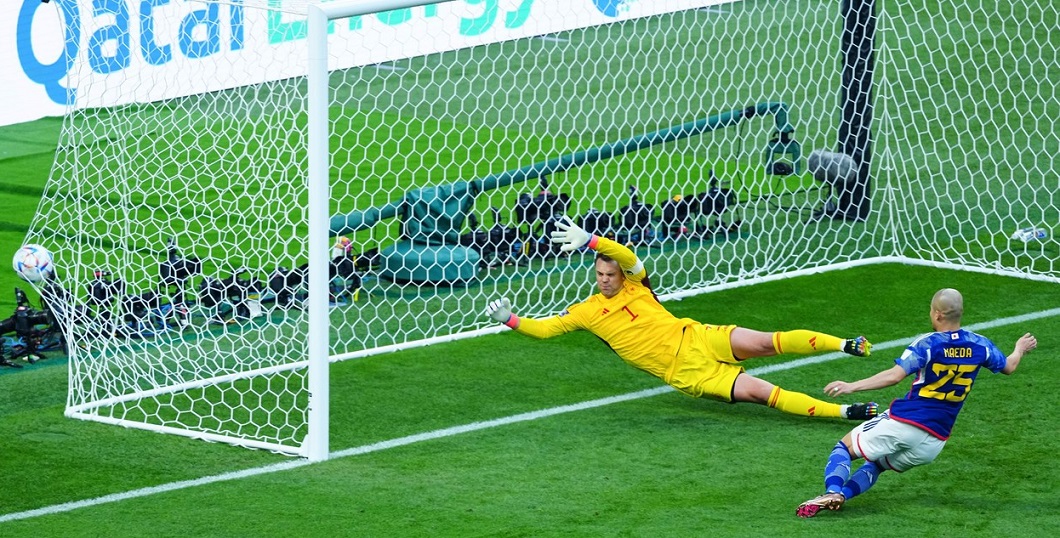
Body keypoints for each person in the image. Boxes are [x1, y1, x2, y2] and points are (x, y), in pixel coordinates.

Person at [485, 216, 879, 421]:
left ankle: (845, 344)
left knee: (766, 341)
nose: (605, 280)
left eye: (610, 274)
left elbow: (630, 257)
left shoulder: (639, 284)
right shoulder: (587, 311)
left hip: (698, 337)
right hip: (689, 373)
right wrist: (511, 319)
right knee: (762, 393)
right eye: (600, 275)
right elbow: (545, 329)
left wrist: (593, 241)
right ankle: (846, 412)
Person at [795, 288, 1037, 518]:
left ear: (938, 314)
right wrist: (1019, 349)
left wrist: (852, 385)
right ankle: (842, 496)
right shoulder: (980, 344)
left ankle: (832, 491)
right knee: (877, 466)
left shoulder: (929, 344)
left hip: (906, 421)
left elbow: (894, 376)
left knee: (843, 449)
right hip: (935, 441)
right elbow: (1009, 366)